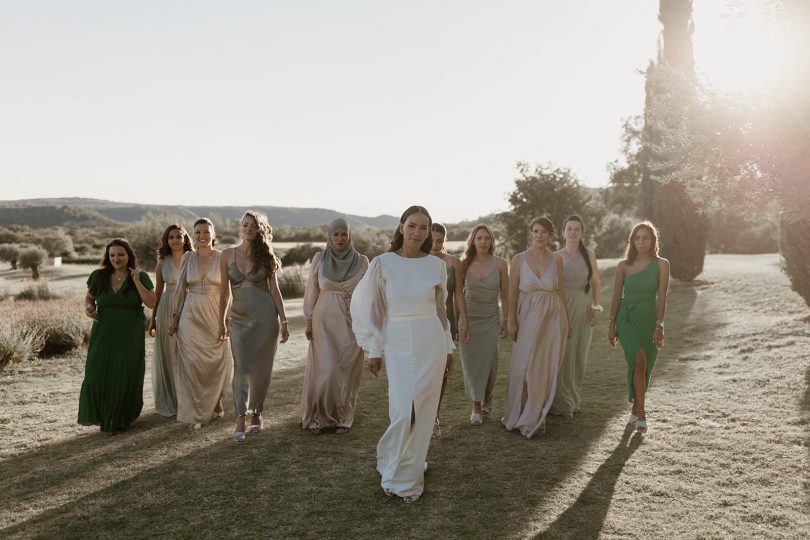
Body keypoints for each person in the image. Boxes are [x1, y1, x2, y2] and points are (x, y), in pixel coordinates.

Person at [350, 205, 454, 504]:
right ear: (401, 227)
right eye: (412, 226)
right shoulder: (383, 263)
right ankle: (391, 459)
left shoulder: (436, 266)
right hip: (396, 341)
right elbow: (369, 307)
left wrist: (448, 346)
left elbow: (440, 310)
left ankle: (407, 476)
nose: (417, 232)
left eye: (423, 228)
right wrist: (373, 348)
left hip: (430, 339)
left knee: (422, 410)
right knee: (402, 410)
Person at [218, 211, 289, 442]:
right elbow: (224, 292)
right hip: (238, 320)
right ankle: (240, 417)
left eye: (253, 225)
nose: (248, 228)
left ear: (260, 230)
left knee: (261, 371)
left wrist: (285, 321)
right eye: (245, 224)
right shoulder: (227, 255)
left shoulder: (267, 257)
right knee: (241, 367)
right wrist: (222, 320)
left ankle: (257, 412)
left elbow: (275, 291)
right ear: (241, 227)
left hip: (266, 320)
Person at [79, 238, 156, 433]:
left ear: (129, 256)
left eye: (121, 254)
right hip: (103, 329)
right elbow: (90, 296)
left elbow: (152, 303)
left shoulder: (141, 276)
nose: (116, 258)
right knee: (96, 374)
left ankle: (118, 419)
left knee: (124, 373)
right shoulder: (99, 276)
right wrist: (89, 306)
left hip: (130, 331)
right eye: (112, 255)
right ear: (108, 256)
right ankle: (104, 415)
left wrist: (137, 281)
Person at [502, 217, 569, 439]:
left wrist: (566, 320)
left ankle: (535, 415)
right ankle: (519, 412)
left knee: (542, 366)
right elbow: (511, 293)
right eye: (535, 231)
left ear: (550, 235)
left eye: (543, 232)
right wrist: (511, 320)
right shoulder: (519, 259)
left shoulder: (557, 260)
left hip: (552, 316)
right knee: (525, 365)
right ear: (530, 233)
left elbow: (561, 293)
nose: (539, 235)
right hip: (527, 316)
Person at [301, 218, 369, 434]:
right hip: (324, 322)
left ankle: (343, 418)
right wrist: (308, 319)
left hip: (352, 323)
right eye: (336, 234)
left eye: (344, 234)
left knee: (347, 371)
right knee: (326, 369)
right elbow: (311, 291)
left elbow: (368, 296)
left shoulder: (362, 261)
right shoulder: (319, 259)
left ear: (350, 236)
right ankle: (318, 418)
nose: (340, 238)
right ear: (329, 236)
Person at [168, 218, 232, 429]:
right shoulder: (188, 257)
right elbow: (180, 291)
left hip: (215, 314)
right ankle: (195, 413)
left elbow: (227, 292)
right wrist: (175, 319)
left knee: (215, 361)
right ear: (193, 236)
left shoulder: (223, 257)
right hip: (191, 314)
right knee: (192, 364)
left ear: (213, 234)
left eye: (206, 232)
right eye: (198, 232)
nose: (202, 236)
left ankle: (216, 402)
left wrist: (227, 319)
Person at [608, 221, 669, 434]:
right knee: (638, 360)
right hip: (626, 318)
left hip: (649, 317)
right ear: (632, 241)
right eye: (637, 238)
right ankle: (642, 413)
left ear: (653, 240)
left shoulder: (662, 264)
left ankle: (635, 408)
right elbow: (616, 296)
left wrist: (659, 325)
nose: (641, 241)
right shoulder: (623, 266)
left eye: (645, 238)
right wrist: (611, 324)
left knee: (645, 366)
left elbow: (662, 297)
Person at [549, 215, 601, 418]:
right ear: (563, 232)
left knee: (578, 354)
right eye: (569, 229)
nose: (572, 232)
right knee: (561, 353)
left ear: (582, 233)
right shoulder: (555, 256)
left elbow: (596, 282)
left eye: (576, 229)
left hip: (582, 306)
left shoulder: (589, 254)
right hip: (560, 307)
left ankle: (571, 399)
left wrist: (596, 307)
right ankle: (558, 402)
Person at [459, 224, 508, 425]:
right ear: (473, 241)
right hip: (469, 317)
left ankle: (487, 397)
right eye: (479, 238)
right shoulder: (464, 264)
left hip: (490, 318)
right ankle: (476, 408)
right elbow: (457, 295)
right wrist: (462, 321)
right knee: (471, 365)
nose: (483, 242)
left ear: (492, 242)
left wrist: (508, 319)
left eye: (487, 238)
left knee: (490, 364)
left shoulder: (501, 263)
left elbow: (505, 293)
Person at [149, 224, 193, 417]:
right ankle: (173, 400)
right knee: (169, 353)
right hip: (167, 307)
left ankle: (191, 399)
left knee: (188, 352)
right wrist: (153, 319)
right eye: (171, 237)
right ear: (166, 241)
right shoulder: (162, 262)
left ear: (185, 238)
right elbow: (158, 292)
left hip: (190, 305)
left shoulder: (193, 259)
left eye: (178, 236)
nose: (175, 240)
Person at [428, 222, 465, 438]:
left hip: (445, 320)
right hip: (421, 320)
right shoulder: (418, 261)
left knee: (442, 372)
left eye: (439, 241)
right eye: (431, 240)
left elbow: (459, 293)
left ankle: (434, 416)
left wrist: (463, 320)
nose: (435, 244)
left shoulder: (454, 263)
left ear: (445, 240)